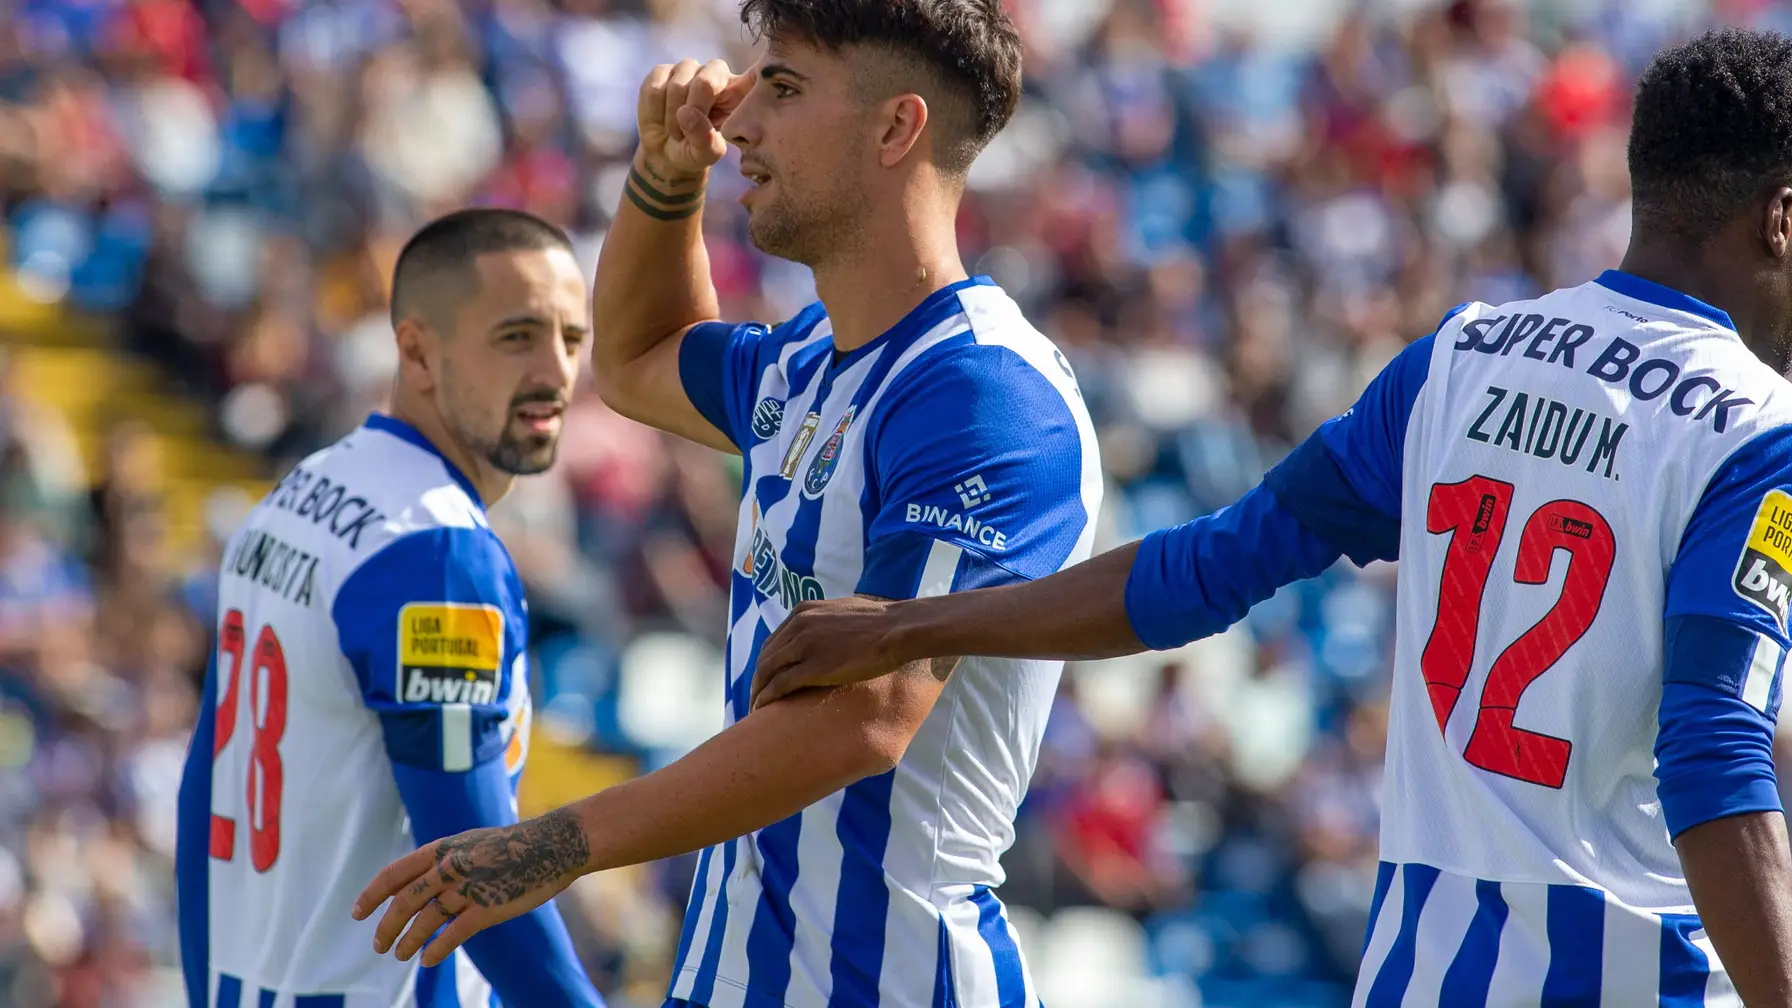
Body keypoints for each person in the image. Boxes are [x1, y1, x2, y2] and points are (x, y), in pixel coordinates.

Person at [751, 28, 1792, 1008]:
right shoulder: (1769, 433)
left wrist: (917, 625)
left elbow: (1204, 571)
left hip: (1417, 974)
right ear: (1782, 220)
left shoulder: (1462, 359)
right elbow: (1714, 748)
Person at [353, 3, 1100, 1007]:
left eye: (783, 87)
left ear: (896, 130)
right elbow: (633, 358)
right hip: (729, 973)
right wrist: (666, 177)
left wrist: (561, 842)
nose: (739, 120)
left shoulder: (985, 395)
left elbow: (866, 720)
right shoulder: (804, 361)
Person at [174, 208, 604, 1008]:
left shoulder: (298, 490)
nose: (556, 371)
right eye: (516, 336)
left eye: (573, 339)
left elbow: (204, 793)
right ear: (416, 350)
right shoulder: (437, 556)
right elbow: (470, 865)